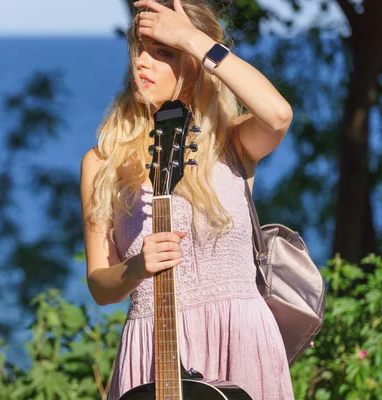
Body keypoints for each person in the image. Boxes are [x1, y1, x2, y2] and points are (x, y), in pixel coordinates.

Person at [79, 0, 295, 399]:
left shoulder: (232, 142)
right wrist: (136, 268)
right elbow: (99, 284)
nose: (143, 62)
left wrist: (193, 39)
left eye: (163, 53)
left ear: (195, 63)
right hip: (153, 348)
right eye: (140, 48)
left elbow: (279, 115)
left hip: (240, 340)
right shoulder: (102, 161)